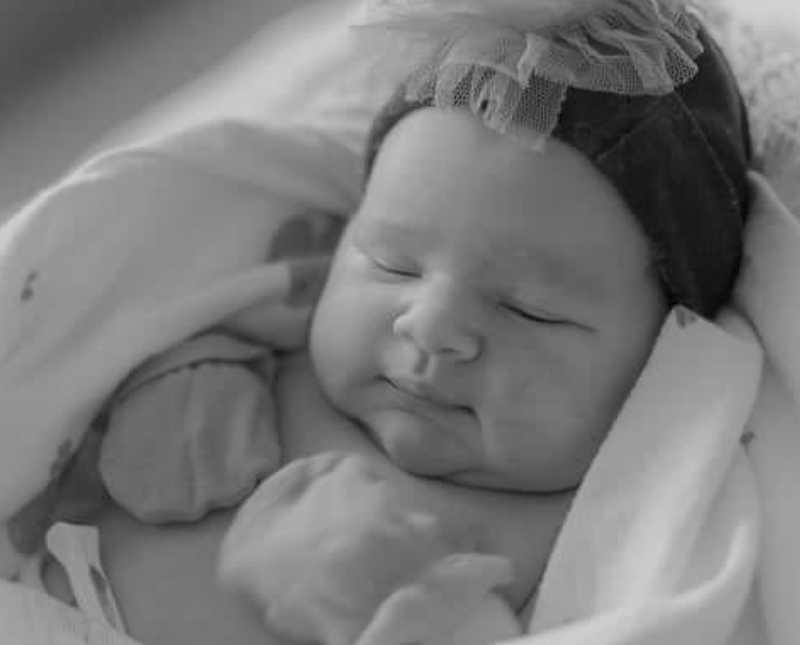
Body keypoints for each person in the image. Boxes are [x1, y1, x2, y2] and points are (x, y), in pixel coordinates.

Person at [31, 1, 752, 644]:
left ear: (658, 350)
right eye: (392, 262)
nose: (431, 325)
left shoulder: (587, 526)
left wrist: (416, 608)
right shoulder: (277, 341)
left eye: (528, 308)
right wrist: (189, 374)